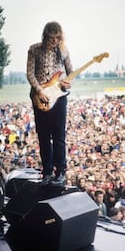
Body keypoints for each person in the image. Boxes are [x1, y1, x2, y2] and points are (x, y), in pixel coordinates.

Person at [26, 21, 73, 186]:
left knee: (59, 136)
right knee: (43, 136)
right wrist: (39, 91)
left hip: (58, 98)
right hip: (40, 98)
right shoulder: (34, 49)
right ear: (45, 36)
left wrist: (68, 83)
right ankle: (47, 171)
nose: (54, 41)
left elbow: (71, 72)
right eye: (51, 38)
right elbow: (30, 74)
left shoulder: (63, 51)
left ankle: (60, 171)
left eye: (57, 38)